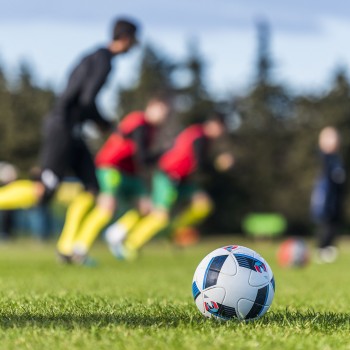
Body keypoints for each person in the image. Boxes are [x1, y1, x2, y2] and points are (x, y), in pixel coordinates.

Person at [0, 18, 139, 248]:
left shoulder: (94, 56)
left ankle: (68, 249)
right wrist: (106, 124)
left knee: (92, 188)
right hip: (62, 128)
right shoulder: (104, 61)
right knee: (42, 190)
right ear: (125, 38)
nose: (134, 46)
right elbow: (86, 99)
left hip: (72, 130)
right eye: (134, 41)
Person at [57, 95, 171, 263]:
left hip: (130, 172)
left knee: (146, 207)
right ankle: (79, 250)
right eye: (161, 111)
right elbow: (142, 156)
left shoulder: (152, 129)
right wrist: (164, 154)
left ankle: (116, 233)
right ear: (150, 107)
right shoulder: (138, 122)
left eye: (166, 113)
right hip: (111, 167)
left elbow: (140, 159)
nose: (164, 116)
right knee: (106, 207)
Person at [107, 112, 234, 260]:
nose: (222, 133)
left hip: (183, 180)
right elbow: (200, 164)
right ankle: (131, 244)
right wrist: (218, 164)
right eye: (222, 128)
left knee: (203, 204)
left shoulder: (202, 137)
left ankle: (175, 231)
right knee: (159, 216)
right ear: (215, 125)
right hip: (168, 176)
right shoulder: (199, 136)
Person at [310, 126, 345, 263]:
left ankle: (329, 247)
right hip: (325, 199)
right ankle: (321, 248)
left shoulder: (337, 158)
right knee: (325, 224)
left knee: (334, 224)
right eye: (328, 138)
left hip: (336, 199)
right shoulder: (323, 158)